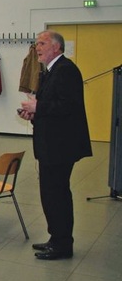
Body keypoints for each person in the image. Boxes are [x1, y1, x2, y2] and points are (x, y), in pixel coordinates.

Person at [19, 30, 92, 260]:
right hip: (51, 145)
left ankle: (62, 244)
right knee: (50, 194)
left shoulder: (66, 71)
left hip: (60, 147)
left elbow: (67, 107)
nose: (37, 48)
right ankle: (56, 238)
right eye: (36, 43)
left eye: (42, 43)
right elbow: (51, 105)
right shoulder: (50, 72)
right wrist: (33, 114)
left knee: (57, 194)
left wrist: (38, 108)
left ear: (56, 48)